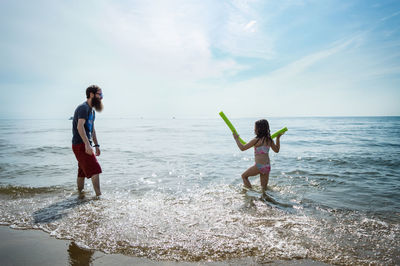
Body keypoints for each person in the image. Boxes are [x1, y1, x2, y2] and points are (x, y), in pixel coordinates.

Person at [233, 119, 284, 196]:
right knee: (264, 188)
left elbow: (242, 148)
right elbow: (277, 150)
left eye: (255, 127)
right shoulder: (269, 140)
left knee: (244, 176)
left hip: (259, 166)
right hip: (267, 166)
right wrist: (278, 138)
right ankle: (266, 201)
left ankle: (250, 193)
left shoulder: (256, 140)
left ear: (258, 129)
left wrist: (236, 139)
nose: (254, 129)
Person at [72, 85, 104, 197]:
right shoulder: (83, 108)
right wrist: (87, 144)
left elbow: (92, 129)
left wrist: (96, 145)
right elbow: (79, 127)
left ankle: (80, 195)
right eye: (99, 94)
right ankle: (99, 196)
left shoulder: (92, 111)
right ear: (91, 94)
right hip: (80, 144)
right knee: (95, 169)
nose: (101, 97)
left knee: (81, 172)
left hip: (85, 144)